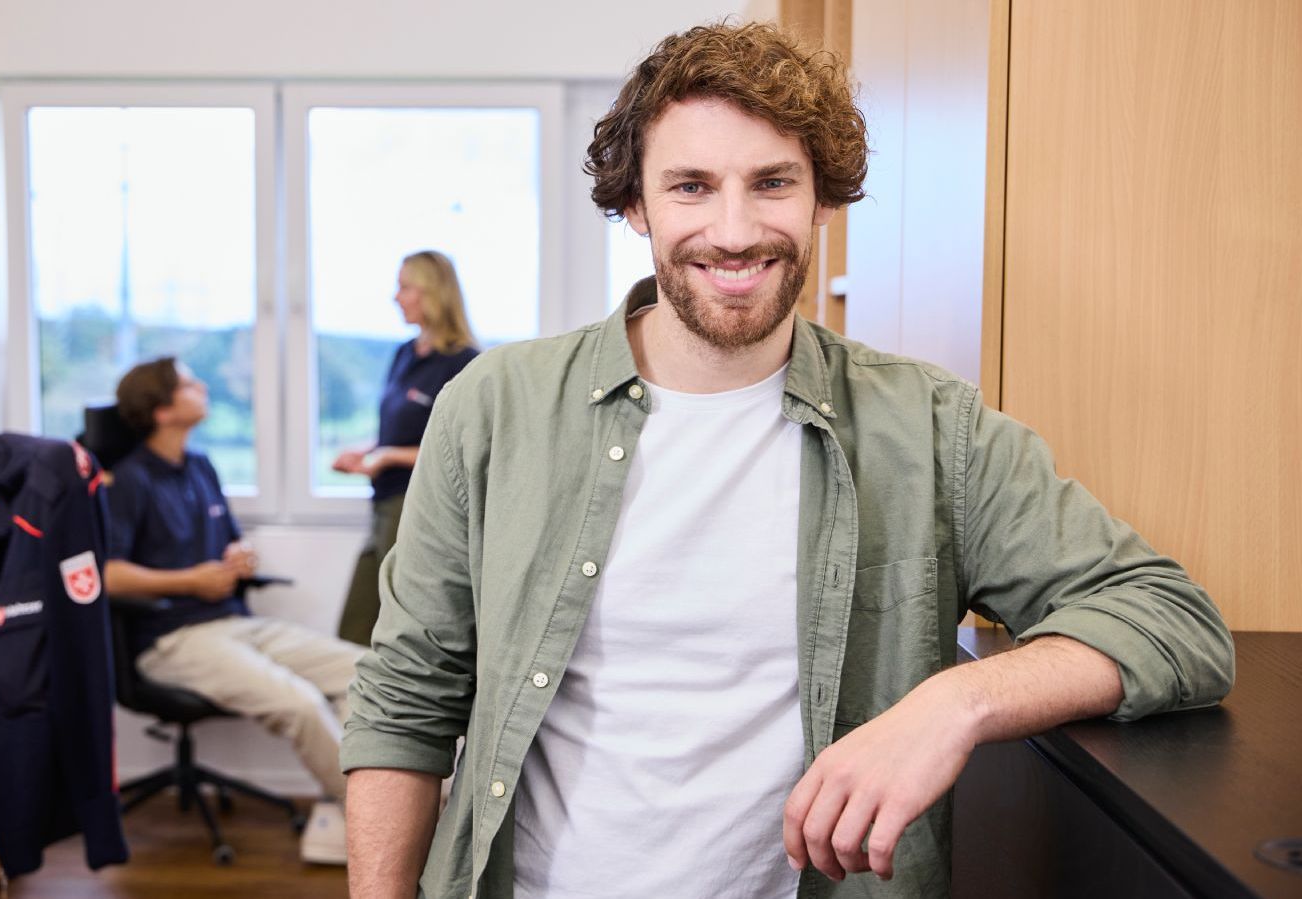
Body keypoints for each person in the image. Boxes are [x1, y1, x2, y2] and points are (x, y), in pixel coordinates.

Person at [339, 21, 1235, 899]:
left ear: (823, 200)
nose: (733, 232)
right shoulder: (493, 408)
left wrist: (951, 706)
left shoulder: (928, 427)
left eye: (772, 182)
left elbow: (1173, 621)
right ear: (635, 204)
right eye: (691, 187)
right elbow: (407, 701)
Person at [103, 356, 366, 866]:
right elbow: (108, 574)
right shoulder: (130, 481)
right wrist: (191, 581)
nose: (201, 385)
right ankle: (383, 819)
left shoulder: (200, 466)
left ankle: (356, 802)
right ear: (161, 410)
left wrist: (237, 558)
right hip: (171, 639)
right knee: (302, 705)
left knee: (365, 672)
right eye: (186, 383)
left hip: (233, 622)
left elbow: (225, 544)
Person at [332, 250, 480, 646]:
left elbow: (461, 449)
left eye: (405, 287)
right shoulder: (404, 354)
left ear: (432, 293)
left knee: (399, 629)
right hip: (382, 502)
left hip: (415, 506)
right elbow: (396, 432)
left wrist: (389, 457)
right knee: (354, 628)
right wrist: (366, 452)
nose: (396, 297)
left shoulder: (463, 362)